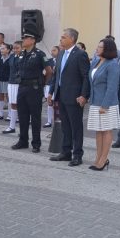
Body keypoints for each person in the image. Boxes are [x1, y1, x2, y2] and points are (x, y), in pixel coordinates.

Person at [48, 28, 91, 166]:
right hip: (61, 95)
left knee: (76, 127)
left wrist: (84, 95)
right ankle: (66, 151)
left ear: (72, 39)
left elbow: (86, 76)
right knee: (65, 126)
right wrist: (51, 92)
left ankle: (77, 154)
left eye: (63, 37)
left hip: (74, 96)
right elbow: (56, 75)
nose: (60, 39)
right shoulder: (61, 53)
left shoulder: (80, 54)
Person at [11, 32, 50, 152]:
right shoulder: (22, 54)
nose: (23, 40)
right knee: (22, 115)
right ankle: (23, 141)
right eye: (23, 38)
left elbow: (49, 71)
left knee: (35, 117)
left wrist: (42, 83)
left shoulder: (40, 54)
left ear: (33, 40)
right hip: (22, 87)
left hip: (34, 89)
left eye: (26, 38)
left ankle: (36, 143)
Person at [87, 39, 120, 170]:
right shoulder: (96, 62)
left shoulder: (112, 64)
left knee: (106, 130)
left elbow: (112, 87)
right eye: (98, 46)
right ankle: (98, 157)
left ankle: (103, 159)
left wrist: (105, 105)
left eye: (100, 47)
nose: (97, 48)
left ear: (107, 49)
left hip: (107, 103)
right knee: (98, 130)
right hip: (95, 101)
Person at [3, 41, 22, 134]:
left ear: (22, 48)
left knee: (21, 105)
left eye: (17, 48)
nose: (15, 50)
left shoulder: (24, 57)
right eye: (14, 48)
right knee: (12, 104)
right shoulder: (11, 56)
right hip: (11, 82)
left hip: (19, 83)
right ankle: (12, 126)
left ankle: (22, 128)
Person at [43, 46, 59, 128]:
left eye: (54, 50)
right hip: (49, 83)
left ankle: (57, 121)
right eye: (51, 50)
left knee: (56, 103)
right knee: (49, 102)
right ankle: (49, 121)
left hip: (57, 85)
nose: (52, 52)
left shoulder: (60, 60)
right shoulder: (49, 61)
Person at [0, 42, 10, 120]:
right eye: (1, 49)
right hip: (0, 79)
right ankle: (0, 114)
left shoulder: (10, 59)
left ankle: (10, 114)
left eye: (3, 48)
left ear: (8, 50)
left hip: (8, 80)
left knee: (8, 97)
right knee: (0, 96)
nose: (2, 50)